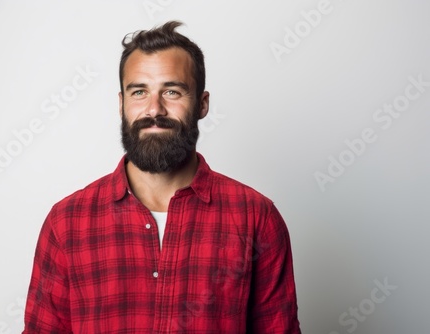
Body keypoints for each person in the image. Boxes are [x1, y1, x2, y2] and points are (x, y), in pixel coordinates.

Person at [23, 21, 301, 333]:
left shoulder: (255, 217)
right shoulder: (66, 223)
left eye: (172, 91)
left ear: (202, 104)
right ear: (122, 104)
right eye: (139, 91)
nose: (154, 109)